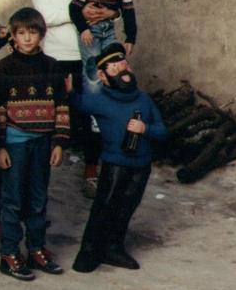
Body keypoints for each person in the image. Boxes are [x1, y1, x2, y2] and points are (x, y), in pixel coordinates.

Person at [31, 0, 119, 198]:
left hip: (87, 55)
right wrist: (79, 10)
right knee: (48, 115)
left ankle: (91, 172)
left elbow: (110, 9)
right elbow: (45, 17)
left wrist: (104, 13)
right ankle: (37, 175)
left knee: (93, 114)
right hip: (55, 57)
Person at [67, 42, 167, 273]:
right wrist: (70, 91)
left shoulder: (144, 100)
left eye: (124, 65)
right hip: (116, 166)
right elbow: (78, 102)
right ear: (103, 76)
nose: (123, 71)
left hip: (141, 165)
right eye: (114, 68)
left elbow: (162, 130)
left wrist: (145, 129)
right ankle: (89, 252)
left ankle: (113, 248)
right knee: (104, 208)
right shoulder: (99, 100)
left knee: (126, 208)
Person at [0, 8, 68, 281]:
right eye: (21, 33)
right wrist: (0, 146)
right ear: (13, 36)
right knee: (12, 200)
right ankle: (9, 253)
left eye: (32, 33)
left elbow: (62, 105)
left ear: (41, 35)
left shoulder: (52, 66)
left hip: (43, 143)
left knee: (38, 199)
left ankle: (36, 248)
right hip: (15, 143)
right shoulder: (4, 67)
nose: (27, 38)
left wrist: (59, 142)